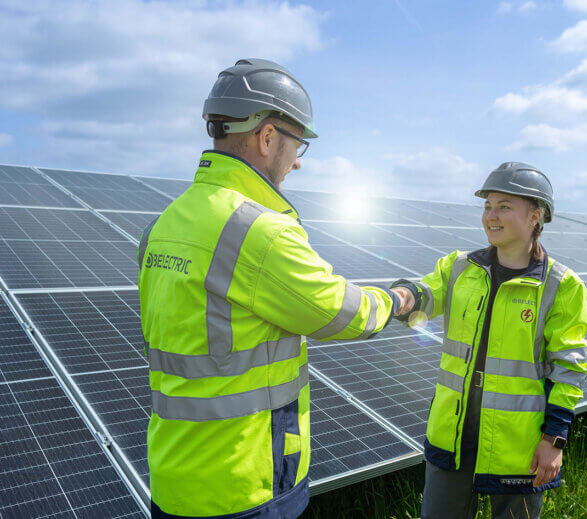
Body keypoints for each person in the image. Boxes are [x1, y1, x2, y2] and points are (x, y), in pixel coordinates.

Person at [137, 59, 409, 519]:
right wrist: (397, 300)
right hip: (244, 481)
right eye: (297, 144)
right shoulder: (259, 231)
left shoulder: (163, 226)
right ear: (266, 137)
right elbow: (341, 311)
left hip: (173, 477)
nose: (298, 160)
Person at [391, 162, 587, 519]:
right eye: (487, 206)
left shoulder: (561, 287)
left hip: (517, 447)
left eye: (504, 206)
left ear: (536, 215)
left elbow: (569, 369)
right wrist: (405, 296)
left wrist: (554, 440)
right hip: (451, 434)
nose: (491, 216)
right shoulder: (458, 267)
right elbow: (425, 292)